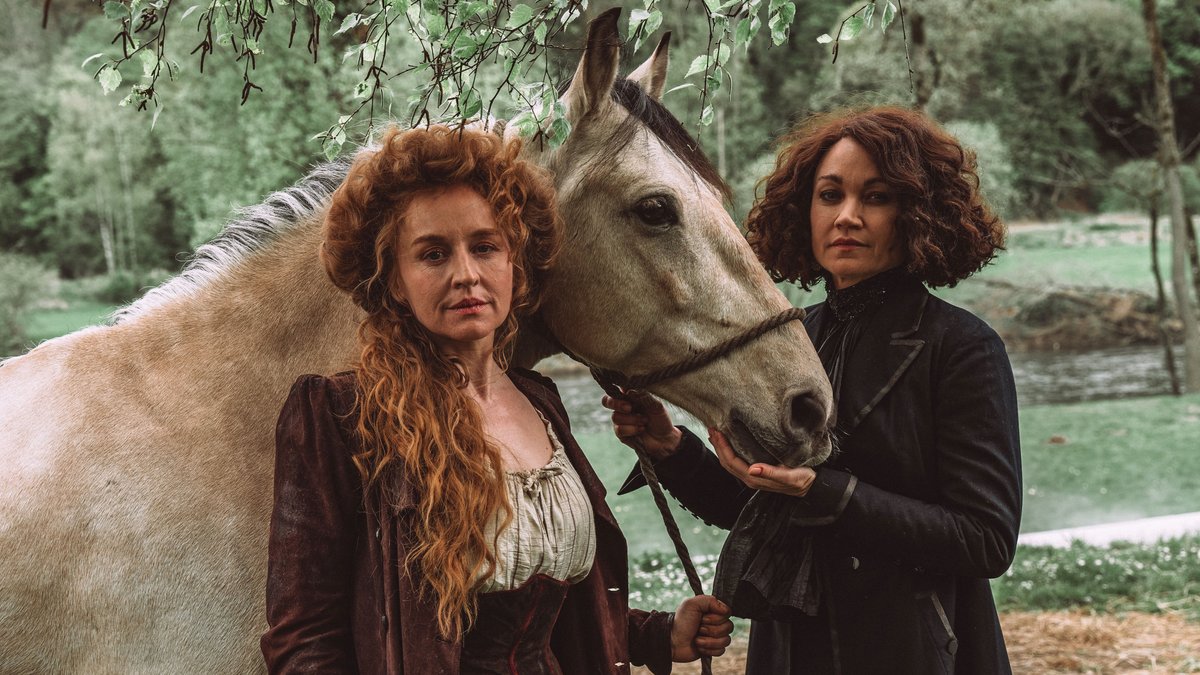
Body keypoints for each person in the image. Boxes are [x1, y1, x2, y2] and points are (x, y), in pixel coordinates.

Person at [260, 125, 733, 674]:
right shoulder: (341, 415)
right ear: (393, 279)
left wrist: (659, 636)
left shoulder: (542, 402)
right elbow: (304, 642)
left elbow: (553, 621)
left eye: (485, 246)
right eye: (433, 254)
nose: (467, 275)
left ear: (515, 261)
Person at [606, 106, 1022, 674]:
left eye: (875, 197)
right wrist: (671, 449)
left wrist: (823, 492)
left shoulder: (961, 347)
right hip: (792, 651)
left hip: (915, 651)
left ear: (918, 213)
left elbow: (985, 540)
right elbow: (758, 509)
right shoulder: (790, 341)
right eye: (830, 195)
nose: (847, 216)